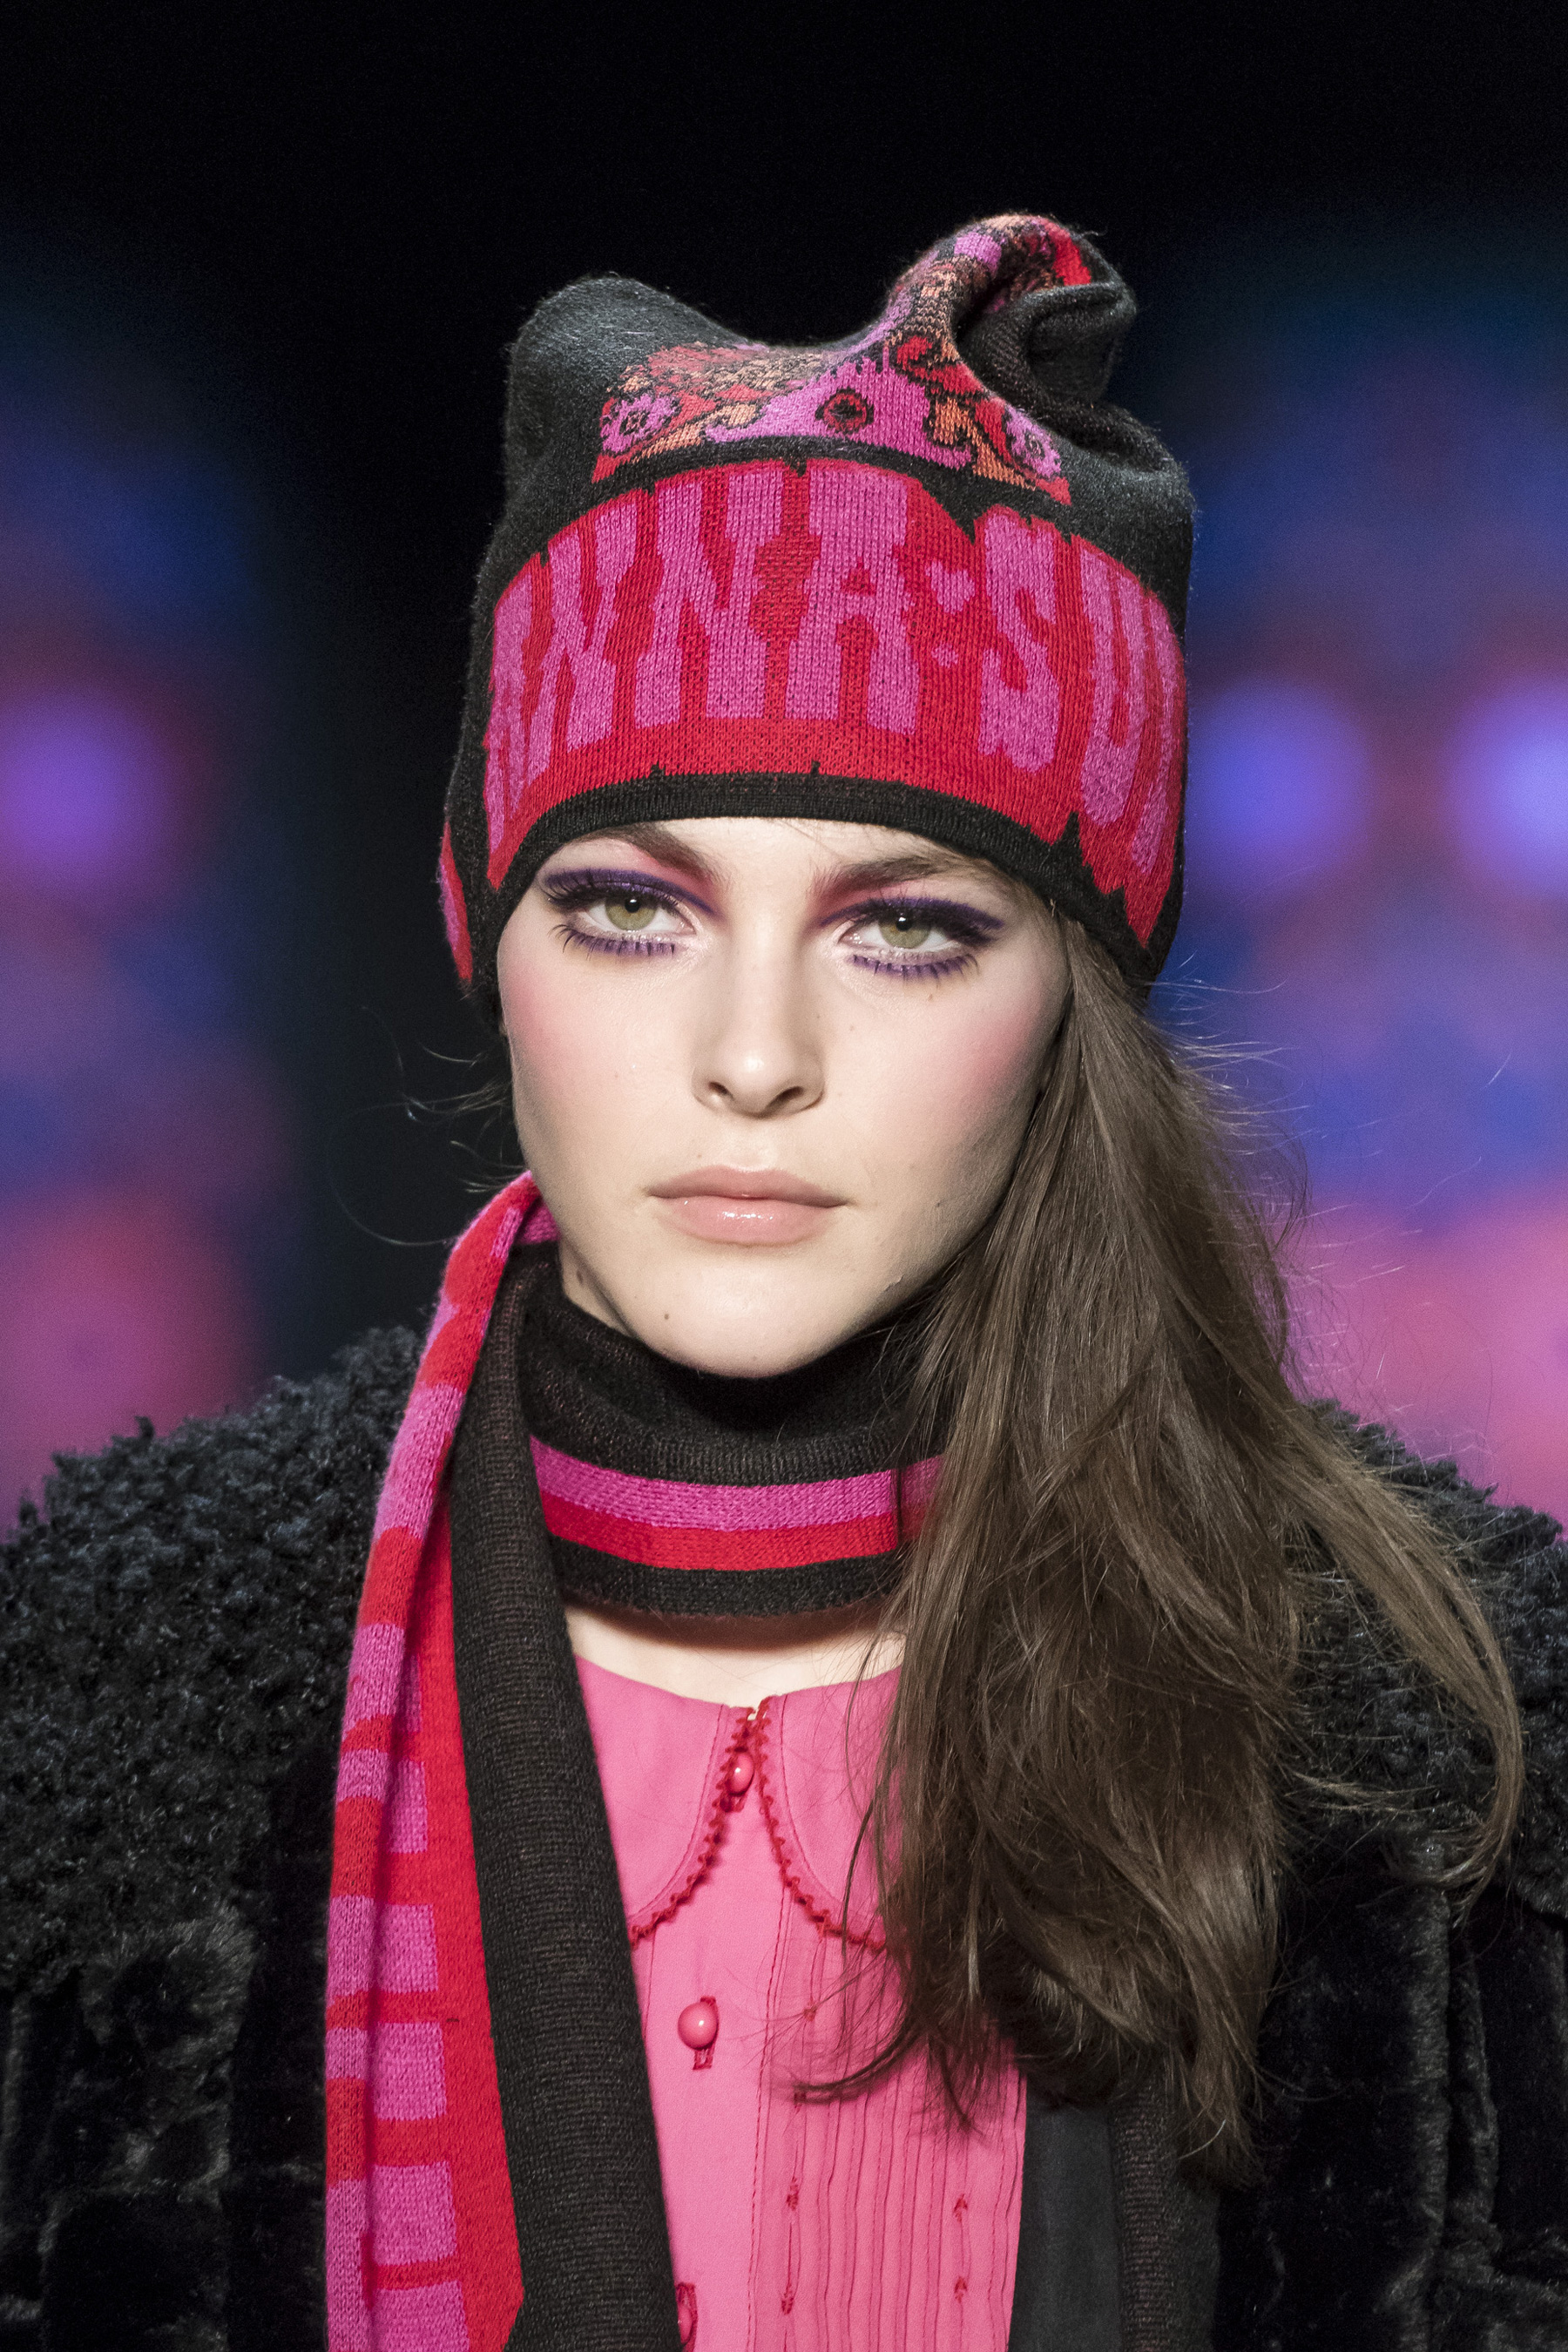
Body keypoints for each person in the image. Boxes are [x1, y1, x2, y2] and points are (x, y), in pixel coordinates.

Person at [2, 214, 1564, 2352]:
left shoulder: (1434, 1761)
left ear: (1073, 998)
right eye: (631, 910)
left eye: (905, 927)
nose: (753, 1055)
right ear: (488, 939)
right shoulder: (118, 1701)